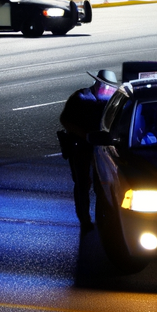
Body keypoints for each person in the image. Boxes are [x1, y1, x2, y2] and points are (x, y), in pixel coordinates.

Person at [58, 69, 119, 231]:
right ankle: (84, 220)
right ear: (97, 83)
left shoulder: (112, 100)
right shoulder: (80, 98)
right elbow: (65, 119)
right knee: (82, 184)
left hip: (102, 148)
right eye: (105, 86)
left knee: (103, 183)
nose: (108, 89)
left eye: (110, 87)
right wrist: (84, 135)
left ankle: (104, 217)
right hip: (81, 148)